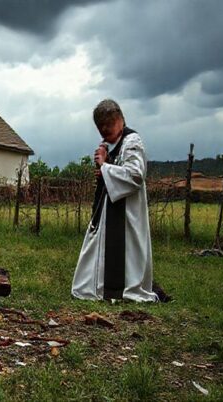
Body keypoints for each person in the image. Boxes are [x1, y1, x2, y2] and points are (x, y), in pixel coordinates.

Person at [71, 99, 158, 302]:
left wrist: (104, 166)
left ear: (120, 120)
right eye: (100, 126)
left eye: (108, 123)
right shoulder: (116, 144)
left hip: (128, 215)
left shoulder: (132, 141)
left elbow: (136, 175)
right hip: (113, 213)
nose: (104, 129)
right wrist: (106, 165)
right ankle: (102, 288)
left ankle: (122, 289)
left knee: (127, 255)